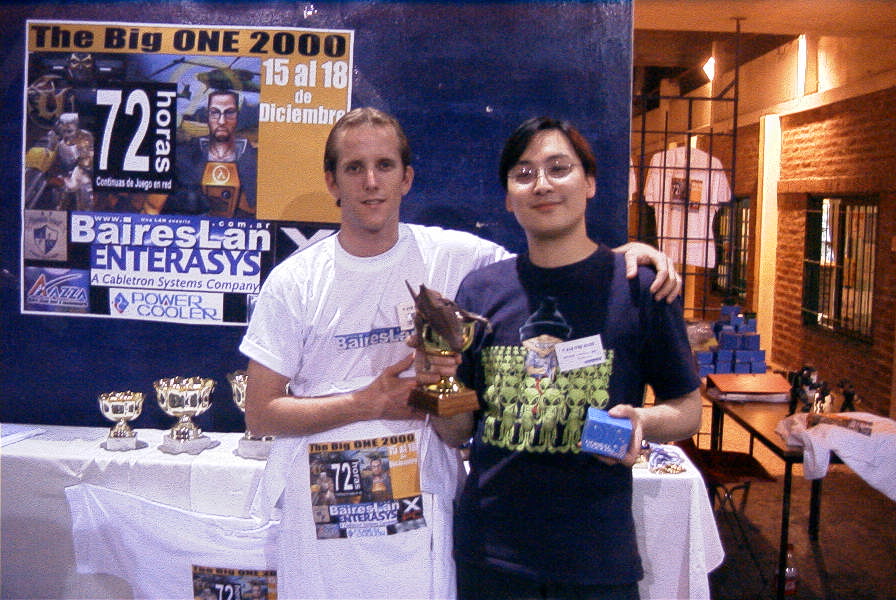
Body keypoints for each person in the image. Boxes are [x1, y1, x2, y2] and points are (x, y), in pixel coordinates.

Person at [239, 107, 682, 599]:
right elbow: (261, 412)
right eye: (354, 167)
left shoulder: (458, 259)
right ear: (331, 181)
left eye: (385, 165)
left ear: (407, 178)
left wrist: (625, 258)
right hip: (323, 508)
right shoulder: (295, 281)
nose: (371, 182)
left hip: (421, 512)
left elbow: (549, 267)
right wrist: (367, 403)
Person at [451, 117, 703, 600]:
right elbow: (457, 431)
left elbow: (688, 410)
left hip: (597, 560)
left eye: (558, 168)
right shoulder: (481, 291)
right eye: (524, 174)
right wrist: (436, 383)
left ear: (589, 183)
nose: (542, 184)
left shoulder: (639, 287)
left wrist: (642, 422)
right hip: (491, 556)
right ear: (508, 197)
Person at [167, 88, 257, 217]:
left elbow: (255, 205)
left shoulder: (248, 155)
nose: (222, 121)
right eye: (215, 113)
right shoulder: (186, 154)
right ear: (207, 116)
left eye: (229, 113)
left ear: (237, 116)